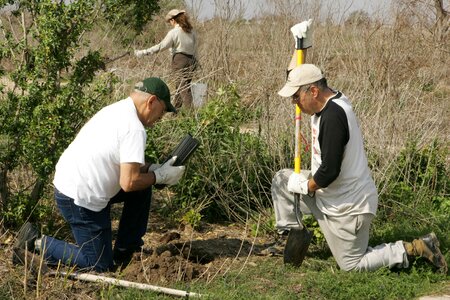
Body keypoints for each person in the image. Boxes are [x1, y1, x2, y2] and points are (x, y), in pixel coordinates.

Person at [269, 63, 448, 273]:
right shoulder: (330, 100)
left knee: (352, 266)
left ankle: (415, 248)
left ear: (314, 91)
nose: (294, 103)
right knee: (282, 180)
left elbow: (329, 172)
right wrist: (300, 43)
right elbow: (299, 73)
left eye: (296, 97)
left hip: (349, 208)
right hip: (330, 195)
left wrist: (305, 186)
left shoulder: (333, 117)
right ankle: (291, 234)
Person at [13, 77, 186, 273]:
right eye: (162, 111)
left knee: (142, 189)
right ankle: (35, 242)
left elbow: (123, 163)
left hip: (74, 183)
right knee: (98, 265)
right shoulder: (134, 129)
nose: (160, 118)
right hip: (79, 197)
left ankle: (126, 252)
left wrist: (151, 168)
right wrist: (160, 177)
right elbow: (129, 182)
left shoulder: (119, 109)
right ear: (152, 101)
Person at [135, 9, 198, 110]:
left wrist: (144, 52)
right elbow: (195, 49)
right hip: (192, 61)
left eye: (170, 22)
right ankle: (175, 112)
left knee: (183, 88)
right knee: (181, 87)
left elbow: (161, 46)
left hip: (180, 60)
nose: (170, 24)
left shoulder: (174, 32)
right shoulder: (191, 32)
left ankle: (191, 114)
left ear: (173, 20)